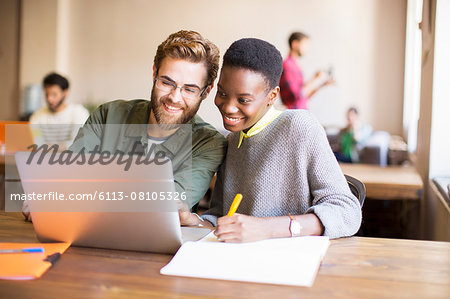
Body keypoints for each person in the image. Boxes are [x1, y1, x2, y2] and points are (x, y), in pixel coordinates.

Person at [180, 38, 361, 241]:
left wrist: (266, 228)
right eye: (222, 93)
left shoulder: (299, 126)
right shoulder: (232, 141)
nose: (229, 107)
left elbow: (347, 212)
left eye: (243, 100)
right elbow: (222, 216)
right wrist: (195, 221)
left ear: (272, 96)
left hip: (292, 264)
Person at [68, 30, 226, 211]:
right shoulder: (108, 115)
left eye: (189, 89)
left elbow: (165, 206)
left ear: (205, 92)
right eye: (167, 83)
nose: (174, 98)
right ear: (154, 74)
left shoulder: (209, 143)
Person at [29, 72, 90, 149]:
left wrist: (48, 148)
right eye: (47, 94)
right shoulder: (37, 115)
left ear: (65, 93)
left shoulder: (79, 112)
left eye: (54, 94)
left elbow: (78, 143)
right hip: (43, 159)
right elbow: (35, 141)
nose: (49, 99)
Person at [279, 32, 334, 109]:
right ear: (294, 44)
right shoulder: (287, 65)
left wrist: (322, 85)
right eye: (305, 45)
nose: (307, 48)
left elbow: (304, 96)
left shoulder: (296, 66)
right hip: (294, 115)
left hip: (301, 112)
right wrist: (314, 78)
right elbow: (297, 95)